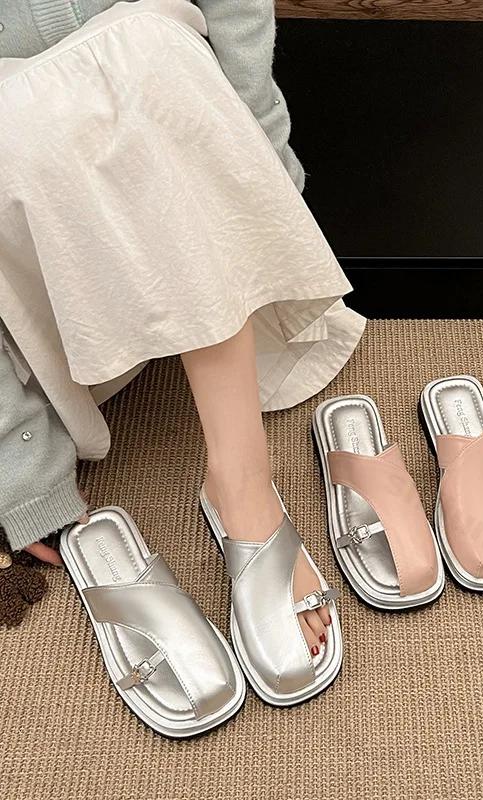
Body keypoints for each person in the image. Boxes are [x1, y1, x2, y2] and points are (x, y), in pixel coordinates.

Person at [0, 0, 365, 664]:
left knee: (143, 52)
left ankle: (242, 484)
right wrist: (21, 468)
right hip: (37, 256)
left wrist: (261, 160)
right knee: (37, 110)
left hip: (167, 126)